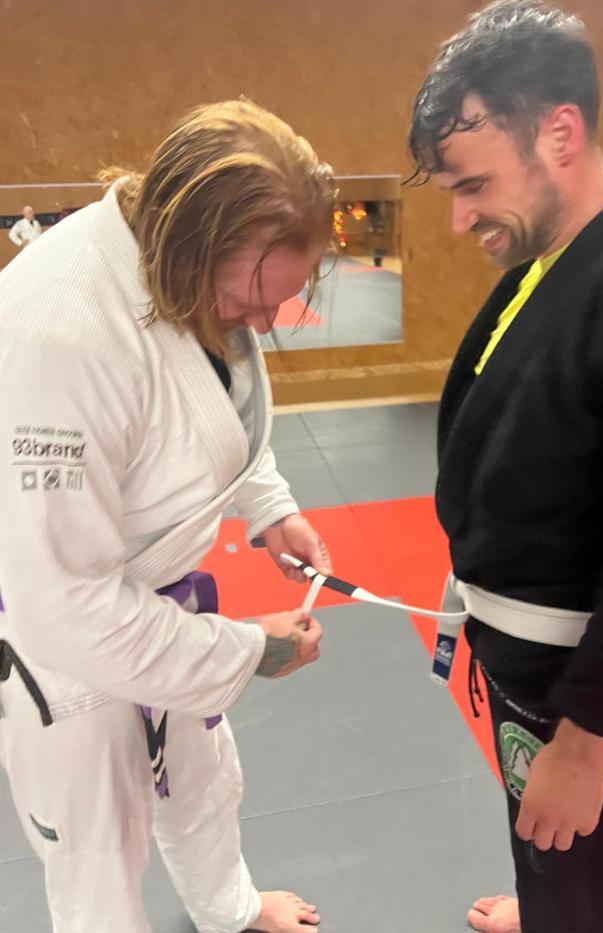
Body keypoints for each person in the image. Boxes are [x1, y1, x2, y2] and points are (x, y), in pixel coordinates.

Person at [0, 99, 337, 933]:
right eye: (251, 299)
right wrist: (248, 651)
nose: (264, 322)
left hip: (152, 596)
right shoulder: (60, 336)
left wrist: (267, 505)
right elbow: (64, 605)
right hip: (63, 636)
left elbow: (207, 408)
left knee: (203, 780)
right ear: (191, 247)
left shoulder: (180, 274)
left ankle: (228, 907)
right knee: (98, 852)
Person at [408, 3, 603, 932]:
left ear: (560, 134)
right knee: (551, 854)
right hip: (525, 662)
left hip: (581, 684)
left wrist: (585, 744)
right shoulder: (547, 270)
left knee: (587, 879)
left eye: (473, 184)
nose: (459, 218)